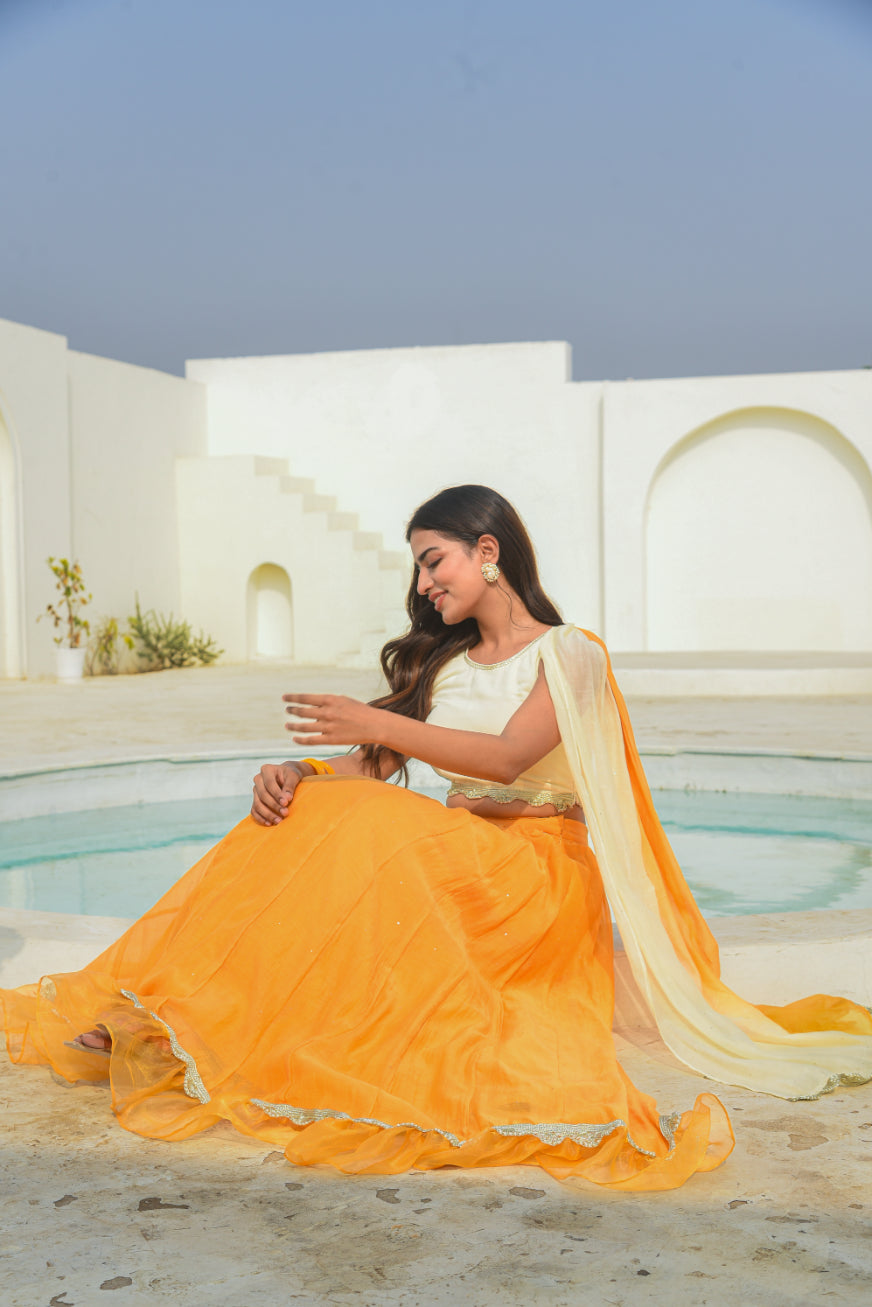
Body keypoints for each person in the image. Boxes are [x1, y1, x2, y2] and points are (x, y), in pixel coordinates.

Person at [3, 485, 871, 1193]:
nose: (423, 585)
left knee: (373, 831)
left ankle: (174, 1015)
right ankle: (157, 1011)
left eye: (433, 560)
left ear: (488, 552)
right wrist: (297, 771)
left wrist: (375, 723)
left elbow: (506, 758)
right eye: (418, 567)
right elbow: (366, 767)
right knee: (307, 813)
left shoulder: (571, 654)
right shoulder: (442, 663)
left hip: (537, 874)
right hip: (456, 859)